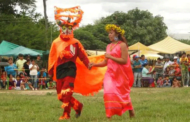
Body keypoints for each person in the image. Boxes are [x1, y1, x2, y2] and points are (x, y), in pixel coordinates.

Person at [48, 6, 91, 120]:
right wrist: (51, 72)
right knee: (60, 96)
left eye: (69, 28)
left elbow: (82, 55)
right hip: (59, 70)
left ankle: (66, 114)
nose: (67, 30)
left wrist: (88, 64)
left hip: (71, 69)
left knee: (67, 91)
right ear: (60, 29)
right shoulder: (56, 42)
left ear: (72, 29)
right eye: (64, 28)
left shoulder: (76, 42)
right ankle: (78, 106)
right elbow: (52, 57)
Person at [89, 24, 135, 119]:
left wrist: (111, 57)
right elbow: (106, 62)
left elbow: (124, 60)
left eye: (111, 33)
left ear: (117, 34)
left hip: (121, 74)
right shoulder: (108, 46)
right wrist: (94, 64)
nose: (109, 35)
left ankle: (130, 110)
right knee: (107, 93)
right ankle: (109, 116)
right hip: (110, 74)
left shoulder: (122, 45)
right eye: (108, 33)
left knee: (122, 94)